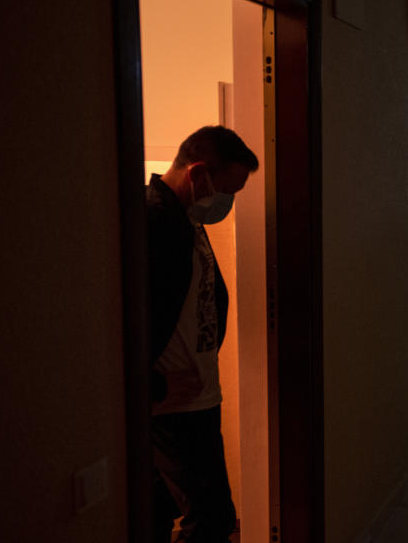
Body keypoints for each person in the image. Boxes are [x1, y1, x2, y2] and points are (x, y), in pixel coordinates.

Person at [147, 125, 259, 543]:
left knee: (161, 506)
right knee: (213, 517)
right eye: (223, 190)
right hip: (174, 403)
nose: (224, 203)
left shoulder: (187, 218)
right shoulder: (153, 220)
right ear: (197, 174)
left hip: (199, 393)